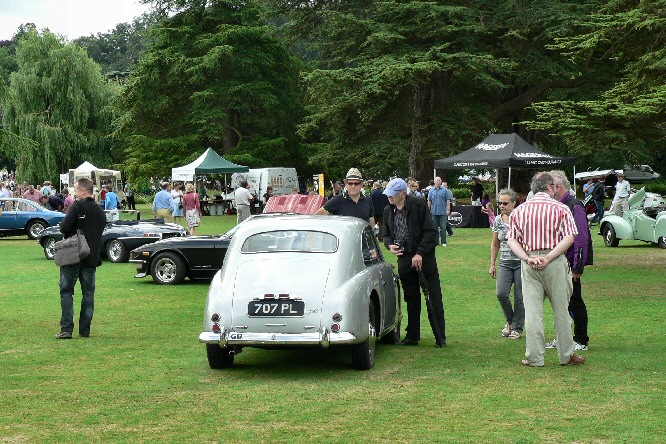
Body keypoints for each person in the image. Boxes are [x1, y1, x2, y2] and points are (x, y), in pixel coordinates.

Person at [507, 172, 585, 367]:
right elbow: (569, 238)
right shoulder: (561, 209)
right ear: (550, 188)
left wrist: (527, 257)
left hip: (529, 261)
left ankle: (534, 356)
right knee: (561, 311)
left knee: (533, 313)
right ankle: (566, 355)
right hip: (555, 262)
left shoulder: (519, 211)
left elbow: (512, 240)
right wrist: (549, 257)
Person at [383, 178, 446, 347]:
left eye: (393, 195)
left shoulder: (418, 205)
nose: (389, 197)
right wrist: (390, 245)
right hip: (404, 258)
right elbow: (386, 235)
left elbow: (431, 232)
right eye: (388, 194)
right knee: (411, 297)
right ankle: (412, 336)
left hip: (424, 258)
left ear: (403, 194)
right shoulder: (388, 210)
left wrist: (420, 253)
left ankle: (440, 336)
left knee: (433, 296)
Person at [55, 178, 106, 339]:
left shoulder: (77, 206)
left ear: (84, 191)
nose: (74, 194)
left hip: (73, 256)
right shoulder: (99, 210)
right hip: (91, 258)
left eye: (76, 190)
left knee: (67, 291)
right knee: (88, 294)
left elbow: (64, 227)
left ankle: (66, 329)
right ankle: (85, 330)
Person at [548, 171, 593, 352]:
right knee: (561, 302)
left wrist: (577, 265)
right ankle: (563, 337)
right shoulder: (561, 205)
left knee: (574, 301)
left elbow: (580, 238)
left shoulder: (574, 206)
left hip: (569, 263)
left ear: (557, 187)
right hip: (560, 262)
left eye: (549, 187)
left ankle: (581, 339)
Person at [489, 188, 524, 339]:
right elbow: (495, 243)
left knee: (519, 296)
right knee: (501, 293)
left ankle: (517, 328)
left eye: (505, 203)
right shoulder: (498, 220)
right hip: (505, 262)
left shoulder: (523, 217)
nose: (502, 206)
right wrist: (492, 264)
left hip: (521, 262)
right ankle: (510, 322)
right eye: (499, 203)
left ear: (514, 203)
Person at [427, 177, 453, 247]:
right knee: (435, 228)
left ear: (441, 181)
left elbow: (448, 200)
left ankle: (444, 242)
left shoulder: (445, 190)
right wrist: (428, 209)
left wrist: (448, 209)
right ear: (434, 182)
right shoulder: (431, 191)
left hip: (442, 211)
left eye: (439, 181)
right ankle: (436, 242)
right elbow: (429, 200)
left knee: (443, 227)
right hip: (434, 212)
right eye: (437, 181)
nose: (438, 182)